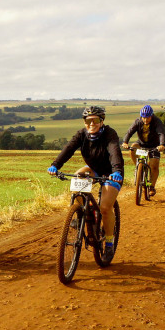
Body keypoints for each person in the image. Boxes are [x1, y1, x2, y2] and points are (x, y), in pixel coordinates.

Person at [46, 106, 124, 262]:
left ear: (102, 121)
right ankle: (84, 212)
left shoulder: (109, 134)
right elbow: (68, 149)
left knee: (105, 208)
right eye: (88, 121)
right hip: (93, 169)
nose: (91, 124)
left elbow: (114, 151)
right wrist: (56, 165)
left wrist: (116, 171)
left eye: (95, 120)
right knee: (77, 176)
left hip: (111, 173)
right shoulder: (82, 134)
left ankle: (109, 242)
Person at [121, 104, 165, 197]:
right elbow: (129, 132)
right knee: (133, 147)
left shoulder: (157, 122)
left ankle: (152, 187)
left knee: (154, 166)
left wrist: (161, 145)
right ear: (141, 116)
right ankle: (138, 167)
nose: (145, 120)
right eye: (143, 117)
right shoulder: (137, 122)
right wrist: (125, 142)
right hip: (141, 144)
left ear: (152, 116)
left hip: (154, 146)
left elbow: (161, 133)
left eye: (148, 117)